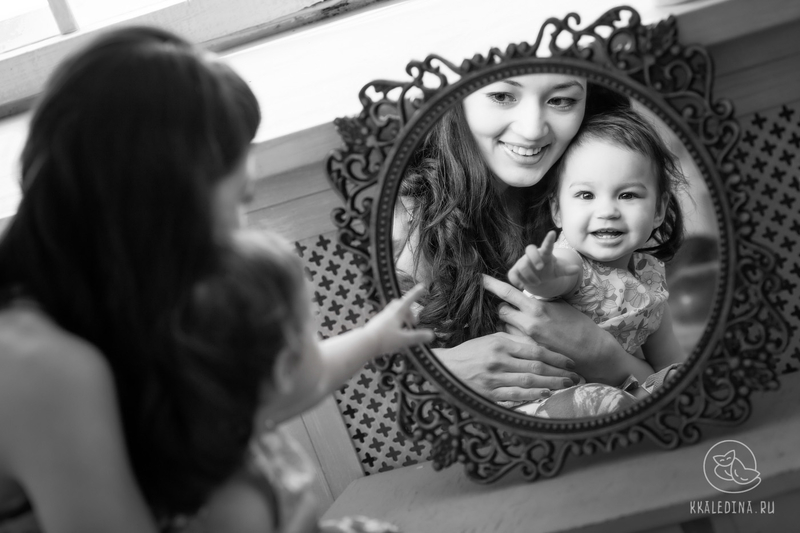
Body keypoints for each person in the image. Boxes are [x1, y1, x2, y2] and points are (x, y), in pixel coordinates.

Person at [0, 26, 430, 533]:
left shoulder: (120, 291)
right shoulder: (37, 363)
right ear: (160, 205)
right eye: (237, 205)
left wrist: (372, 339)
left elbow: (282, 388)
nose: (237, 236)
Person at [395, 73, 657, 409]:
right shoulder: (402, 219)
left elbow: (657, 379)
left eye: (561, 100)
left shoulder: (594, 197)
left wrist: (601, 354)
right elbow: (359, 367)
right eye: (502, 96)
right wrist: (441, 370)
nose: (533, 130)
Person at [177, 231, 430, 533]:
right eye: (311, 329)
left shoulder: (246, 416)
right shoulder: (239, 500)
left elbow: (322, 372)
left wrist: (374, 337)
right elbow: (320, 374)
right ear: (285, 369)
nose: (321, 343)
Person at [506, 108, 687, 415]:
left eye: (627, 195)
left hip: (616, 393)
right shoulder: (570, 259)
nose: (607, 211)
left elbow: (669, 362)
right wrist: (542, 275)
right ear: (557, 211)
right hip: (538, 401)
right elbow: (562, 275)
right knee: (601, 400)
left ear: (658, 209)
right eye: (586, 195)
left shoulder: (651, 283)